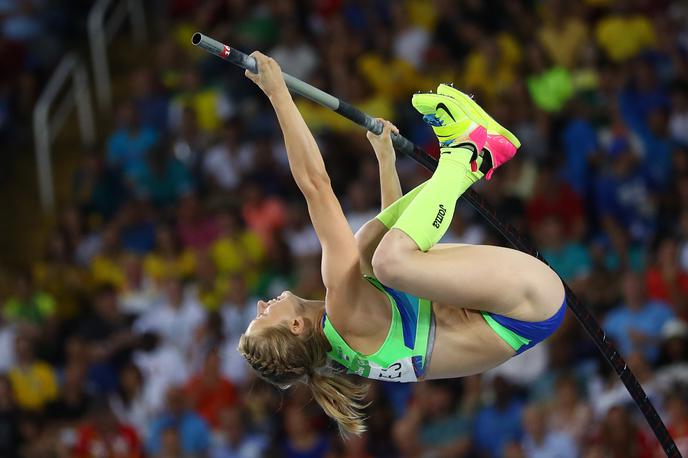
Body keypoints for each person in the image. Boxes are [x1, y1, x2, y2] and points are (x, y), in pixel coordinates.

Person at [238, 53, 565, 435]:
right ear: (295, 326)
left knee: (369, 252)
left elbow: (397, 290)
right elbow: (316, 187)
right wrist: (278, 93)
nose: (262, 304)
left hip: (515, 304)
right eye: (262, 316)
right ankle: (469, 153)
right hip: (524, 307)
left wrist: (385, 161)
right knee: (389, 262)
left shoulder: (345, 333)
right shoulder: (342, 314)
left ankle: (468, 154)